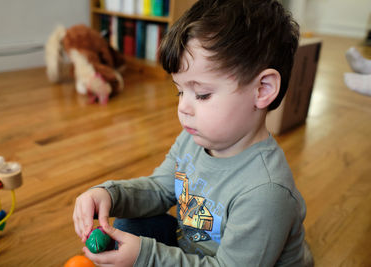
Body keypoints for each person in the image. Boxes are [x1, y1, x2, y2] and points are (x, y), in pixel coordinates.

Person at [73, 0, 314, 266]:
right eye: (180, 91)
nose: (183, 107)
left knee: (138, 248)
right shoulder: (195, 137)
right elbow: (159, 189)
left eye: (202, 94)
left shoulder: (266, 192)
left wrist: (147, 256)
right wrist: (109, 194)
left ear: (263, 89)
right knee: (129, 221)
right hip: (197, 252)